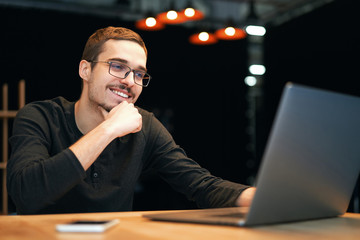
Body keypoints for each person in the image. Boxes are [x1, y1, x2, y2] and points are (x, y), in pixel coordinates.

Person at [7, 26, 256, 214]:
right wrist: (109, 130)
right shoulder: (39, 116)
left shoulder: (145, 125)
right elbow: (26, 193)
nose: (129, 81)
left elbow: (201, 186)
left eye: (139, 73)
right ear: (85, 70)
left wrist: (260, 197)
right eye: (117, 66)